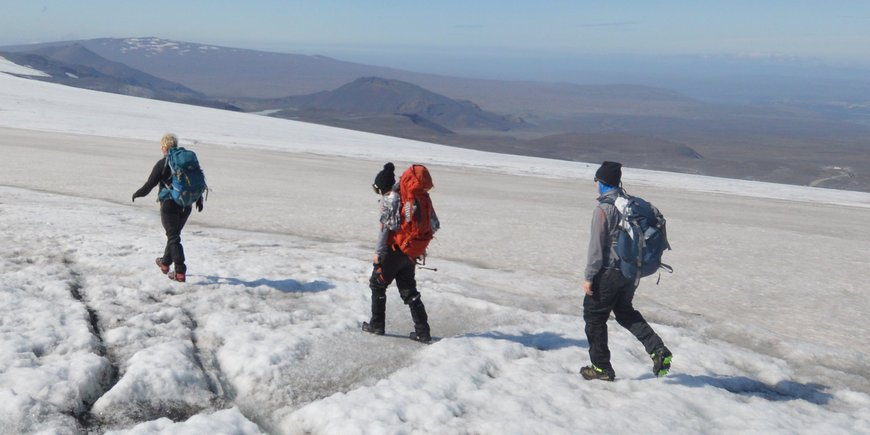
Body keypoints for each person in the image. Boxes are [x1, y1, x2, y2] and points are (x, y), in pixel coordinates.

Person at [581, 161, 672, 381]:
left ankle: (601, 368)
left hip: (609, 272)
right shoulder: (630, 204)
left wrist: (589, 277)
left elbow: (596, 249)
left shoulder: (604, 209)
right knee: (624, 312)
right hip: (630, 272)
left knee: (594, 317)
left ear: (601, 182)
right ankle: (658, 349)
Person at [361, 162, 437, 343]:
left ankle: (377, 325)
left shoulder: (391, 199)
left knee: (377, 285)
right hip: (410, 252)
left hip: (393, 251)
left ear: (381, 188)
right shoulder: (412, 197)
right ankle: (423, 332)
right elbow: (434, 225)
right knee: (410, 292)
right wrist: (416, 245)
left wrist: (378, 254)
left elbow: (386, 229)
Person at [131, 133, 203, 283]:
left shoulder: (163, 163)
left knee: (173, 237)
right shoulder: (186, 163)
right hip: (186, 204)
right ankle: (164, 263)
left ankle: (180, 271)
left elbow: (149, 185)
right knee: (173, 236)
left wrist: (137, 194)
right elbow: (195, 182)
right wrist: (199, 199)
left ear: (164, 147)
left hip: (170, 205)